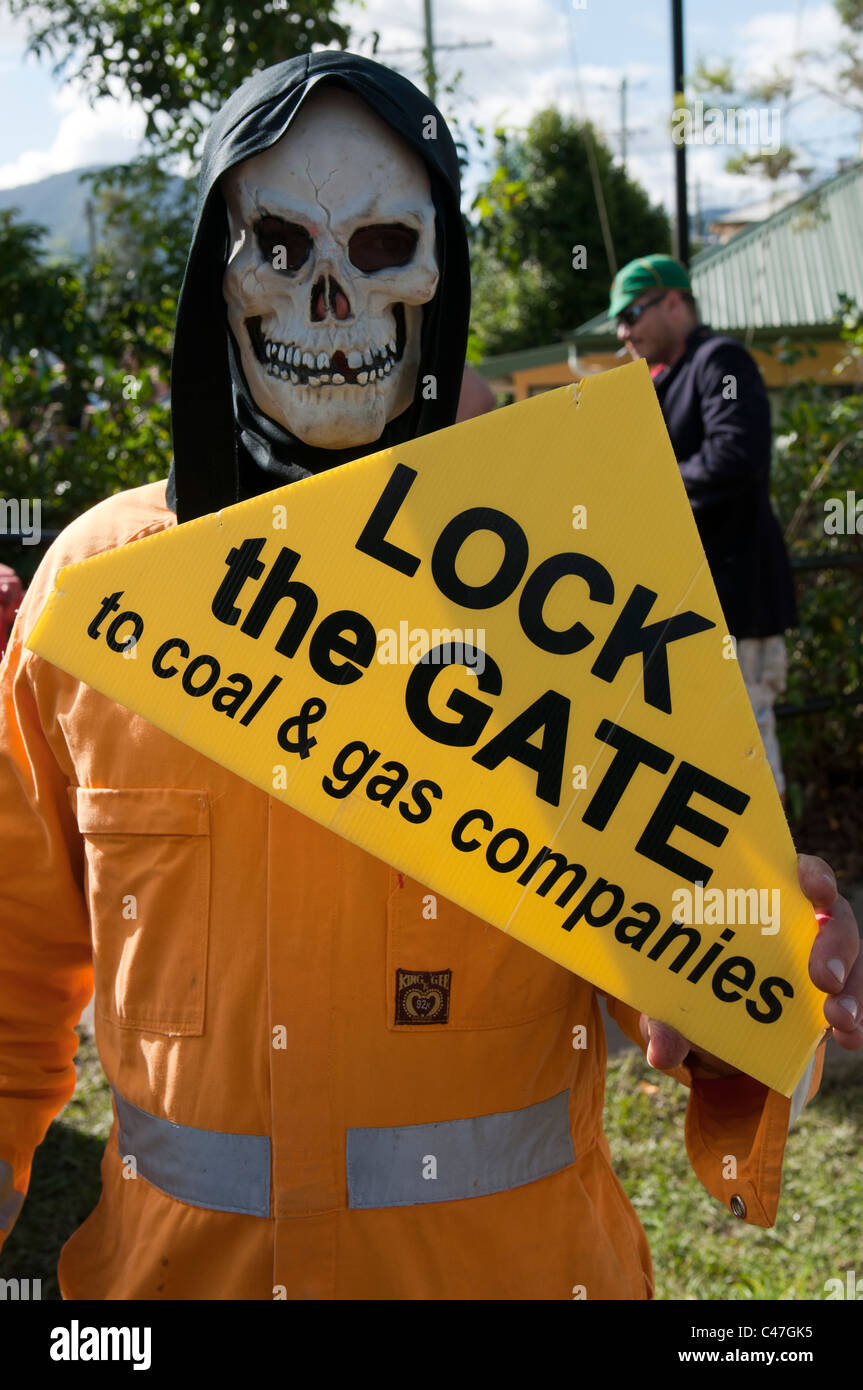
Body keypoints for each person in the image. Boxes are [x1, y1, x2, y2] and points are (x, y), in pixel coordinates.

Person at [0, 55, 859, 1302]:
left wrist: (747, 996)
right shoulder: (90, 598)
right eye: (282, 249)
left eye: (384, 246)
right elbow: (15, 977)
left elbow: (697, 995)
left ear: (436, 278)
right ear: (213, 278)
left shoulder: (559, 589)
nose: (333, 301)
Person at [610, 255, 797, 799]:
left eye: (632, 313)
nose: (624, 331)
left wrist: (646, 491)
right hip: (689, 606)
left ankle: (779, 883)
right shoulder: (665, 376)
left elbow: (735, 458)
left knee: (749, 756)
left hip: (735, 598)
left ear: (674, 301)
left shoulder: (723, 361)